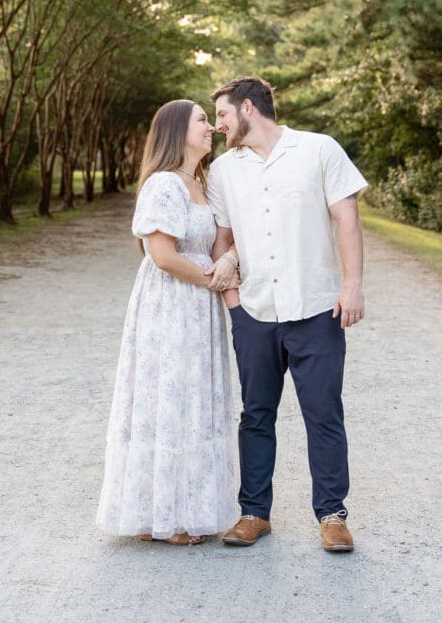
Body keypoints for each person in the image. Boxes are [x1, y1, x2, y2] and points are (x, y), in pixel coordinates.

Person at [206, 76, 367, 553]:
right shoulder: (222, 171)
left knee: (323, 413)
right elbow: (223, 239)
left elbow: (347, 219)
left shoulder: (319, 150)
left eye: (222, 115)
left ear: (249, 108)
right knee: (256, 414)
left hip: (317, 306)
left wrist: (352, 285)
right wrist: (234, 304)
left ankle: (332, 515)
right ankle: (254, 512)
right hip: (254, 310)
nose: (217, 126)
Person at [96, 99, 240, 545]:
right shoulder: (164, 184)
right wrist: (214, 281)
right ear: (177, 131)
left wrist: (227, 266)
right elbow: (162, 256)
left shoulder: (200, 182)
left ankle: (188, 505)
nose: (210, 127)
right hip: (174, 304)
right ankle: (163, 515)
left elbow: (219, 240)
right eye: (201, 119)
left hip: (199, 305)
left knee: (194, 400)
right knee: (171, 401)